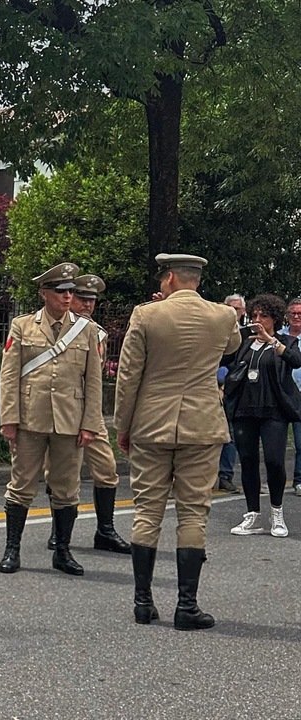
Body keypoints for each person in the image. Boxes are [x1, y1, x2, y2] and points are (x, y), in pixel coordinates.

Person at [114, 253, 241, 630]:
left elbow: (128, 375)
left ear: (168, 278)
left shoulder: (146, 315)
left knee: (147, 510)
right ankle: (186, 606)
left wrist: (124, 425)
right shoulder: (223, 316)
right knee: (193, 513)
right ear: (196, 279)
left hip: (151, 423)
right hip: (201, 425)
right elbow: (232, 347)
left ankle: (143, 602)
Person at [0, 262, 104, 576]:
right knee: (21, 485)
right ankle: (12, 549)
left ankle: (62, 550)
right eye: (61, 291)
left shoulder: (85, 330)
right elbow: (9, 376)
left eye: (71, 291)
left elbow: (94, 381)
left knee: (67, 489)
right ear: (45, 293)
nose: (69, 297)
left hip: (70, 421)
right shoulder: (23, 326)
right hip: (30, 418)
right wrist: (9, 418)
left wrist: (90, 424)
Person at [46, 274, 130, 554]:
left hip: (89, 412)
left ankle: (105, 530)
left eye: (92, 301)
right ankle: (58, 533)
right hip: (61, 410)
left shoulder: (96, 332)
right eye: (83, 299)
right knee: (58, 475)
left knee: (107, 469)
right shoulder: (56, 328)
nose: (87, 305)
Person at [224, 294, 301, 538]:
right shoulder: (245, 342)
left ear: (275, 319)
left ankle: (276, 511)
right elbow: (224, 355)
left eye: (264, 316)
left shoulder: (286, 341)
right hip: (245, 409)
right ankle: (252, 513)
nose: (258, 320)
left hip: (273, 411)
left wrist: (271, 341)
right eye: (254, 315)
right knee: (247, 460)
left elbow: (295, 360)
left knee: (275, 461)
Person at [216, 294, 249, 493]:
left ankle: (225, 475)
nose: (234, 312)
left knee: (231, 435)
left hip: (236, 391)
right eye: (230, 307)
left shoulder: (245, 334)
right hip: (214, 388)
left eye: (237, 309)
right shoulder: (215, 329)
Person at [280, 297, 301, 495]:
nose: (296, 316)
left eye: (300, 313)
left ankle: (299, 480)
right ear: (287, 316)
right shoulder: (278, 336)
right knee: (276, 440)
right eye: (293, 313)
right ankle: (275, 479)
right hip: (280, 394)